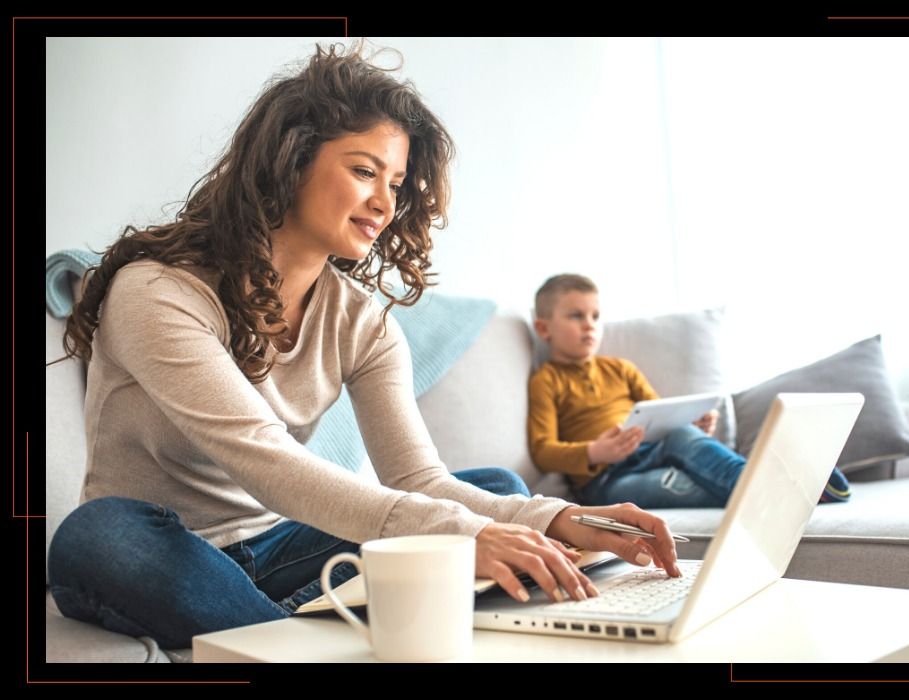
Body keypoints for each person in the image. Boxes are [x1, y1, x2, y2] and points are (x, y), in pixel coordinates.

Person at [45, 42, 680, 651]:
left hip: (277, 549)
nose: (384, 202)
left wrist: (556, 517)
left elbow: (418, 478)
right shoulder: (157, 292)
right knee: (99, 537)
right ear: (290, 162)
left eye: (397, 183)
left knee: (494, 486)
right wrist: (467, 536)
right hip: (160, 547)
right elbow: (265, 461)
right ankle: (311, 632)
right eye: (363, 170)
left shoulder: (361, 322)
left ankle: (298, 628)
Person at [528, 273, 852, 509]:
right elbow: (542, 450)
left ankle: (776, 485)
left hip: (654, 450)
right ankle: (791, 487)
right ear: (543, 328)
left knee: (683, 434)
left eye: (595, 316)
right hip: (605, 482)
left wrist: (689, 424)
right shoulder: (547, 380)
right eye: (576, 316)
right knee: (684, 485)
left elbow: (660, 416)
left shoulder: (620, 368)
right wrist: (594, 453)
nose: (589, 325)